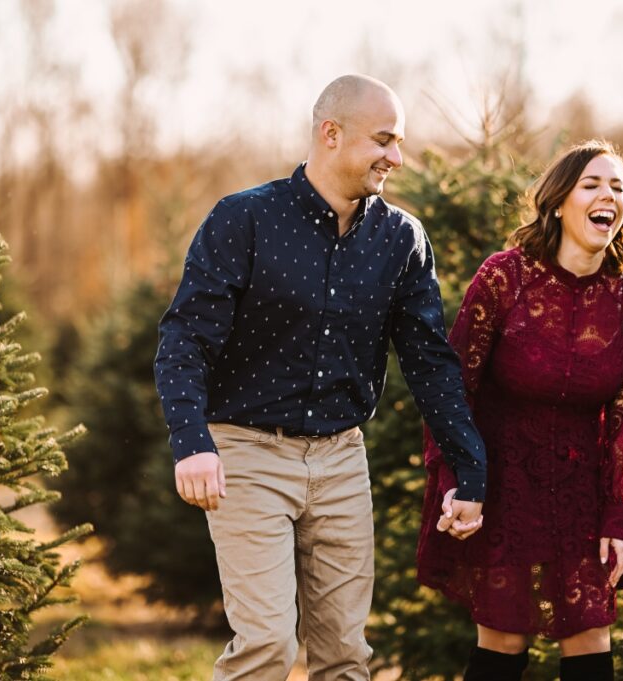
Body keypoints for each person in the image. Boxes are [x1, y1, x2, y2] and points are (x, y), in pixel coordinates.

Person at [153, 74, 487, 681]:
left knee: (345, 657)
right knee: (267, 647)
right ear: (330, 134)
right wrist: (192, 444)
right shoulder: (243, 219)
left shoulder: (401, 239)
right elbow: (184, 337)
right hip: (248, 455)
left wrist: (470, 470)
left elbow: (429, 362)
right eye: (383, 140)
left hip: (341, 460)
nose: (397, 157)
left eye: (400, 141)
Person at [416, 140, 623, 681]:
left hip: (583, 491)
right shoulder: (505, 277)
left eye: (618, 187)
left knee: (591, 634)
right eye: (592, 185)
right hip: (503, 482)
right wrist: (460, 480)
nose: (609, 197)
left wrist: (621, 516)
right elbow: (454, 389)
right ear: (557, 203)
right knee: (502, 636)